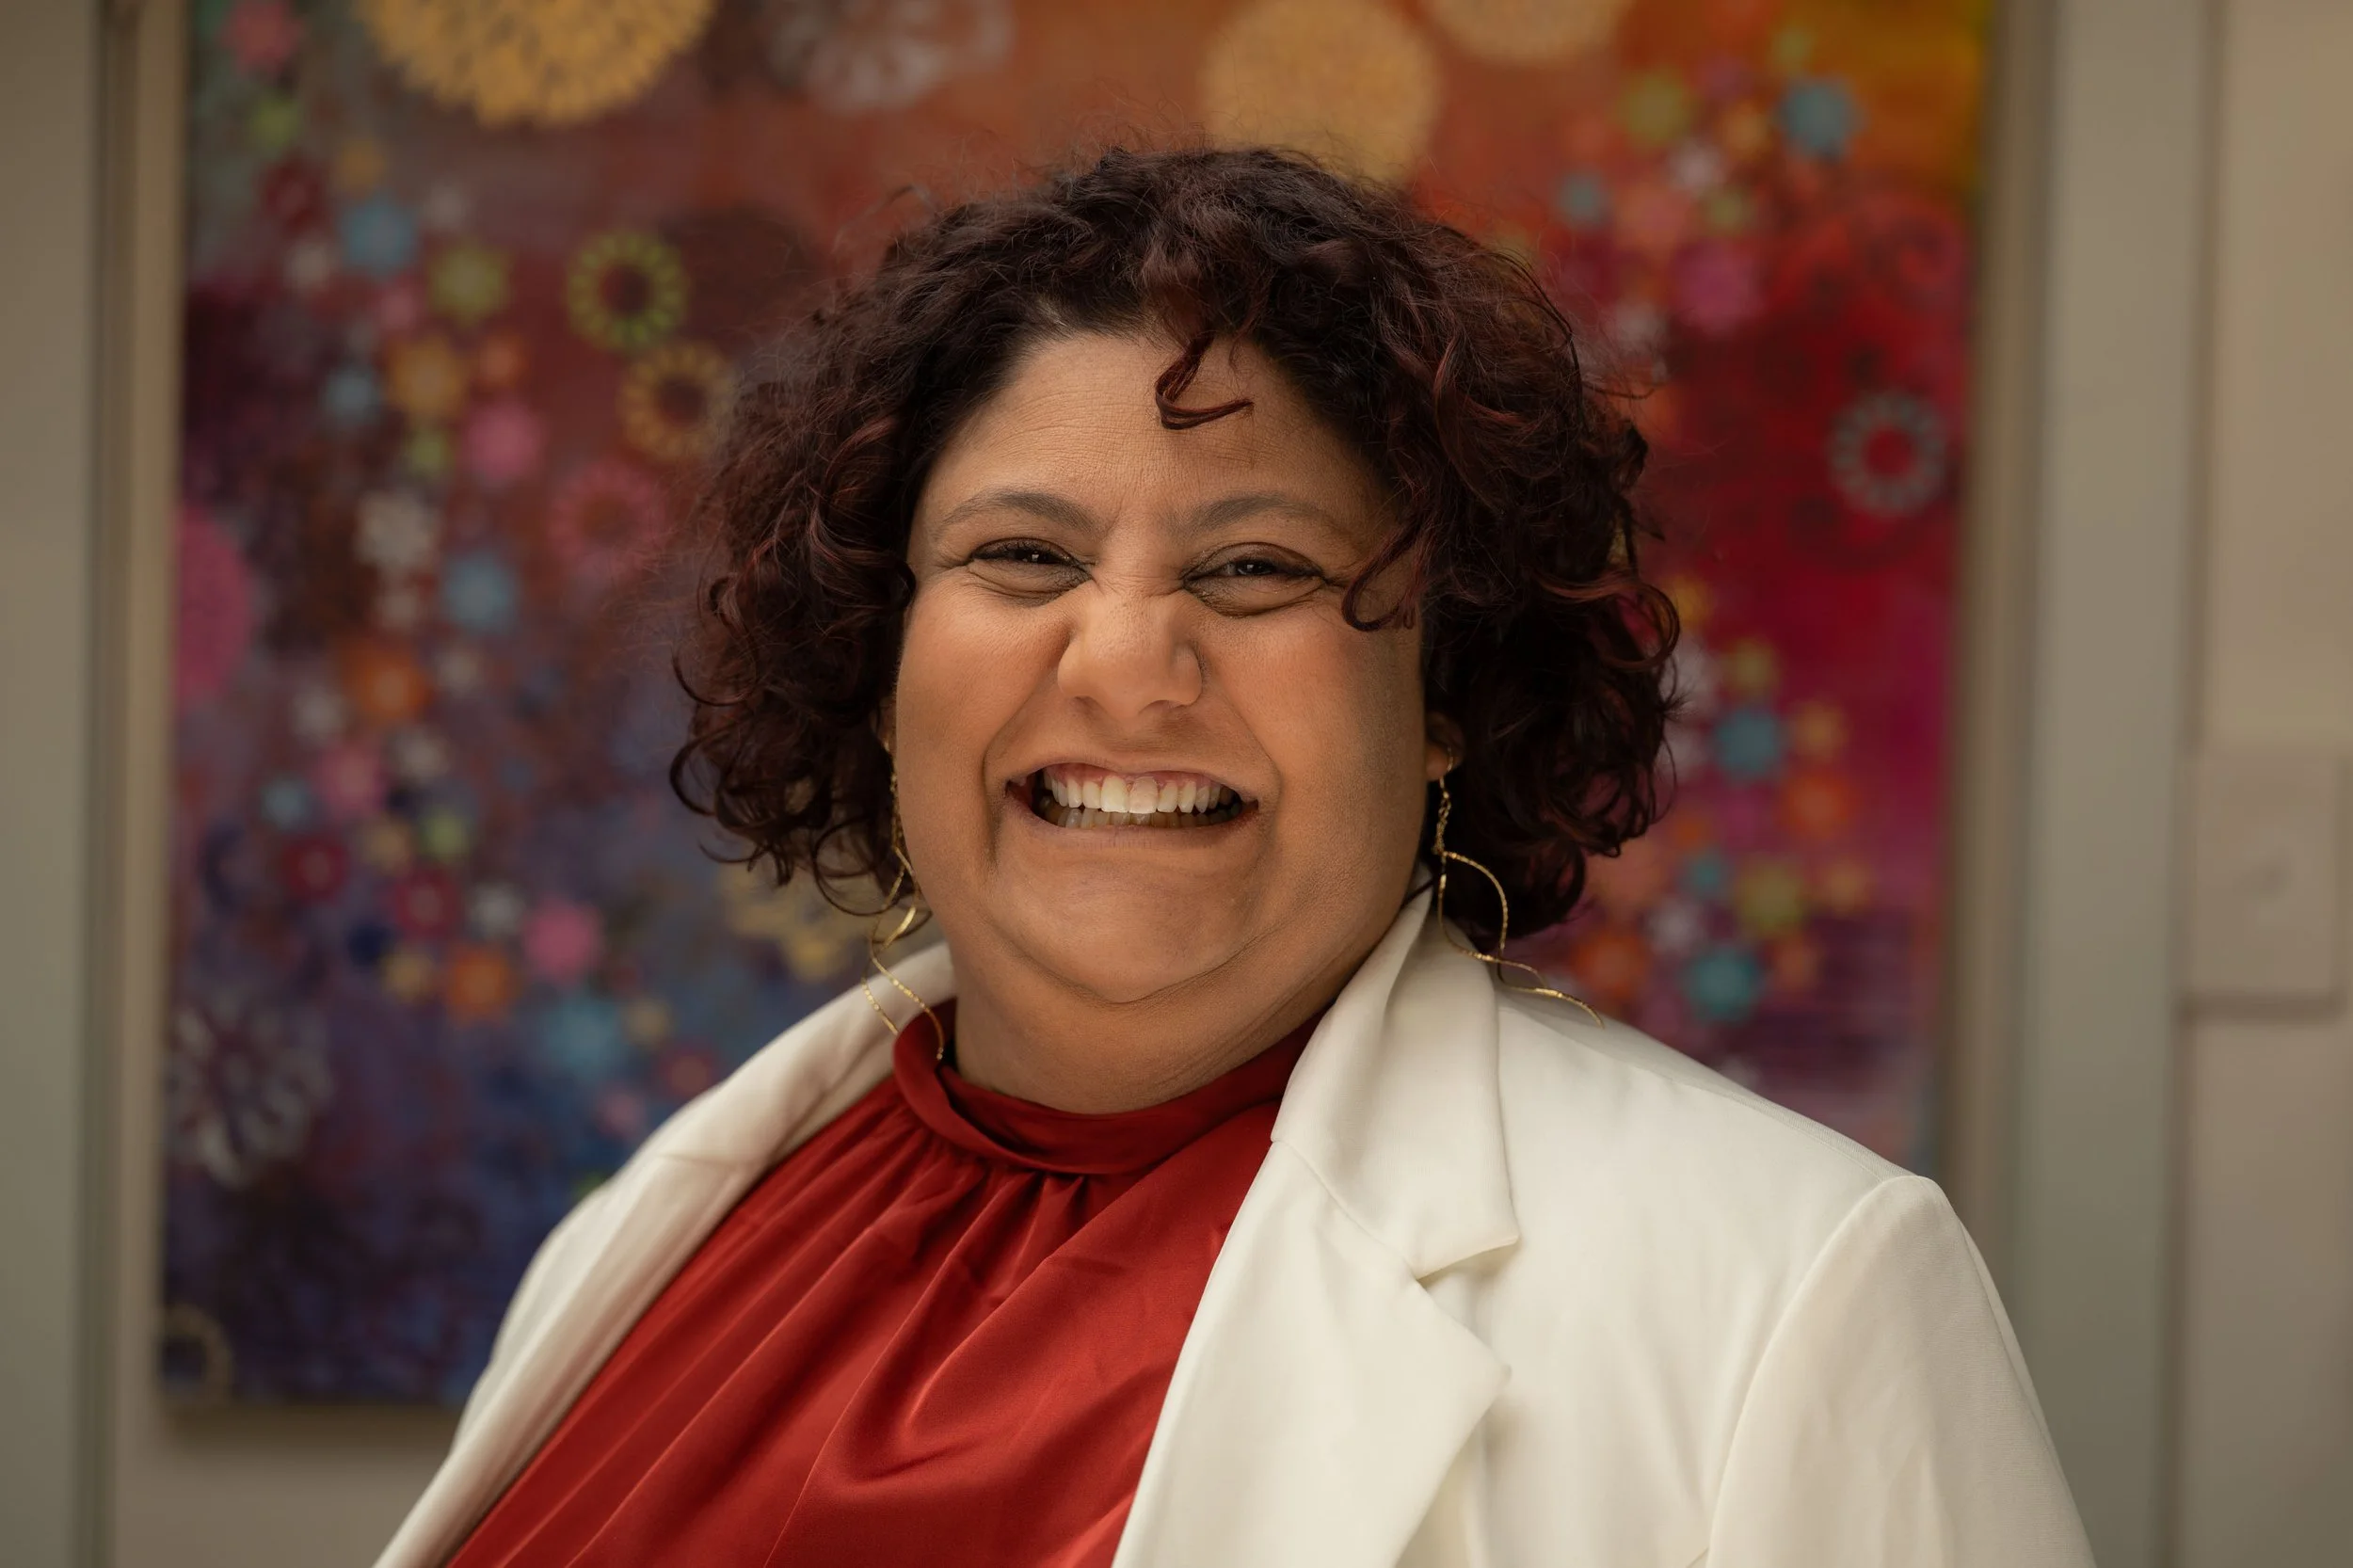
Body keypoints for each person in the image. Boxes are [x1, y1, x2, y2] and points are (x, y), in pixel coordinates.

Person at [376, 147, 2093, 1568]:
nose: (1125, 663)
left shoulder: (1799, 1293)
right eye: (1025, 555)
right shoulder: (664, 1227)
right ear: (883, 665)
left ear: (1445, 690)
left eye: (1259, 569)